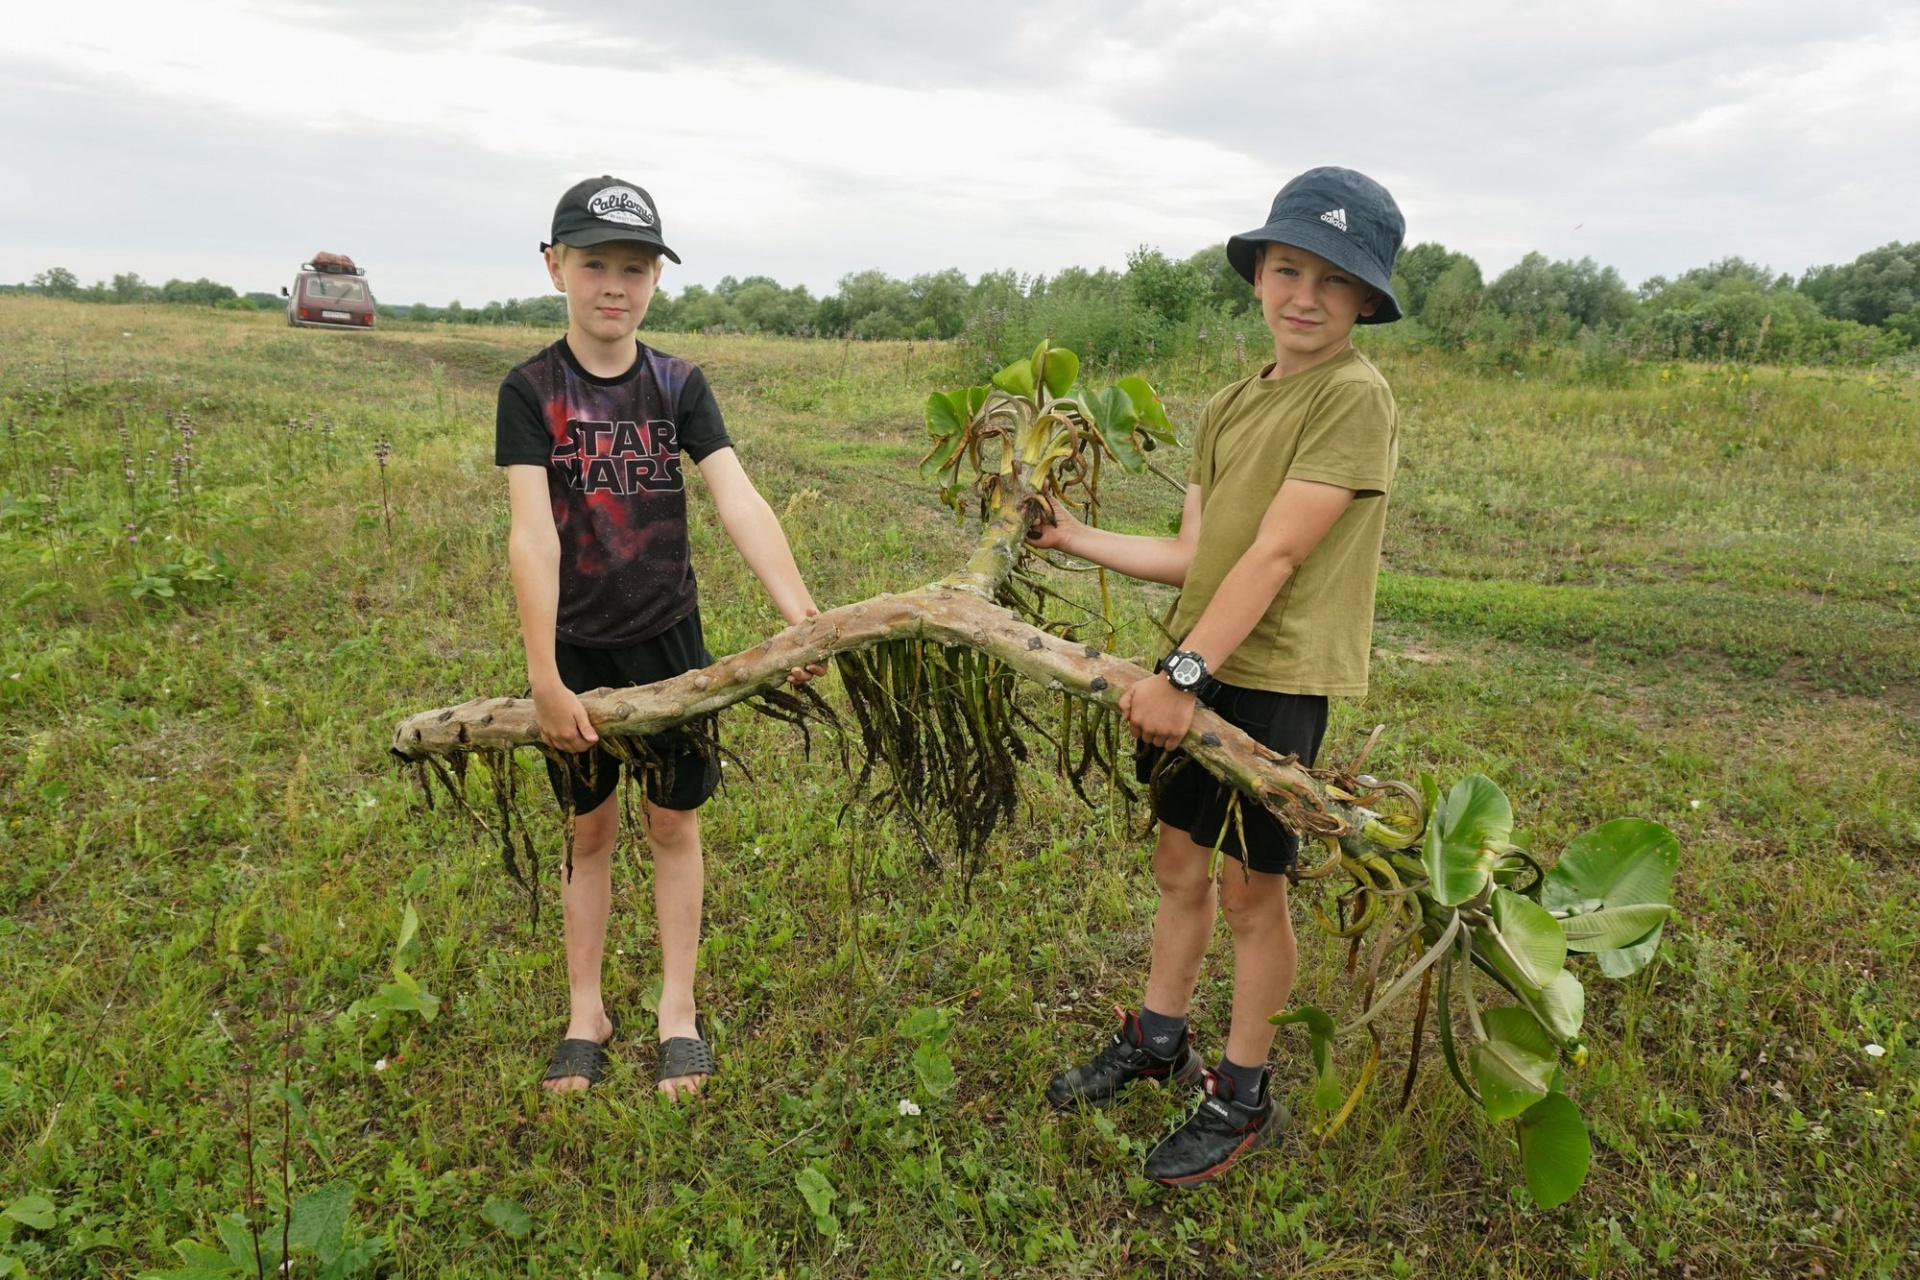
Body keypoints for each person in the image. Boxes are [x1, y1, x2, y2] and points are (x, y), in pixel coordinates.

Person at [1028, 167, 1407, 1184]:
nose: (1305, 296)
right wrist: (1073, 537)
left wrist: (1186, 673)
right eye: (1289, 269)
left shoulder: (1354, 398)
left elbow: (1277, 556)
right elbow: (1202, 550)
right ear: (1258, 276)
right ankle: (1158, 1035)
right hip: (1197, 662)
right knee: (1179, 864)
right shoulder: (1235, 402)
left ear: (1367, 299)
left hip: (1272, 674)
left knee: (1251, 889)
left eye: (1335, 281)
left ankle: (1242, 1088)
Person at [495, 176, 823, 1099]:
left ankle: (678, 1008)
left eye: (633, 268)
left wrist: (801, 616)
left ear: (655, 280)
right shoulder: (531, 391)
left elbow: (736, 496)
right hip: (577, 655)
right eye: (594, 263)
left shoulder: (678, 383)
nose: (614, 285)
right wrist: (544, 680)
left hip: (670, 644)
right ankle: (585, 1011)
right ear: (555, 265)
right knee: (588, 827)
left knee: (673, 822)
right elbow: (532, 533)